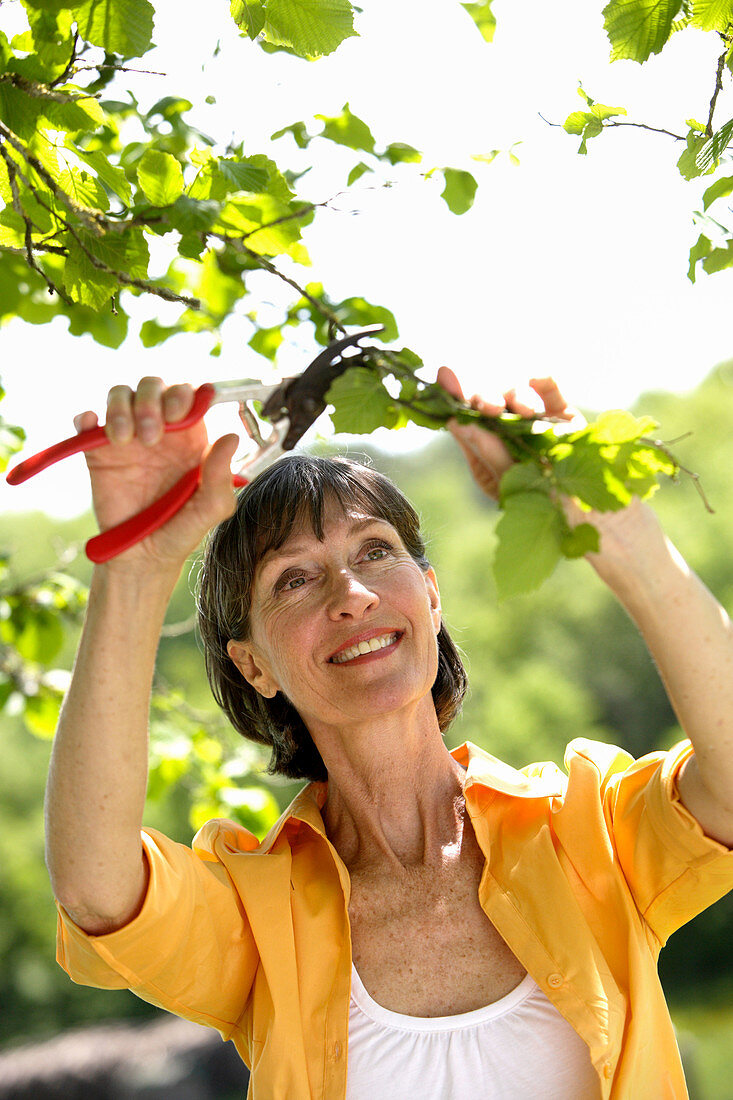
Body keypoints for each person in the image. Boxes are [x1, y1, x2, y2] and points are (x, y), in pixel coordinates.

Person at [47, 371, 733, 1100]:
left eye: (374, 550)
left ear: (430, 597)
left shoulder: (587, 830)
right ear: (252, 665)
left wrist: (626, 540)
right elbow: (96, 891)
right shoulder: (255, 913)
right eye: (294, 580)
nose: (352, 594)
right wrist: (134, 567)